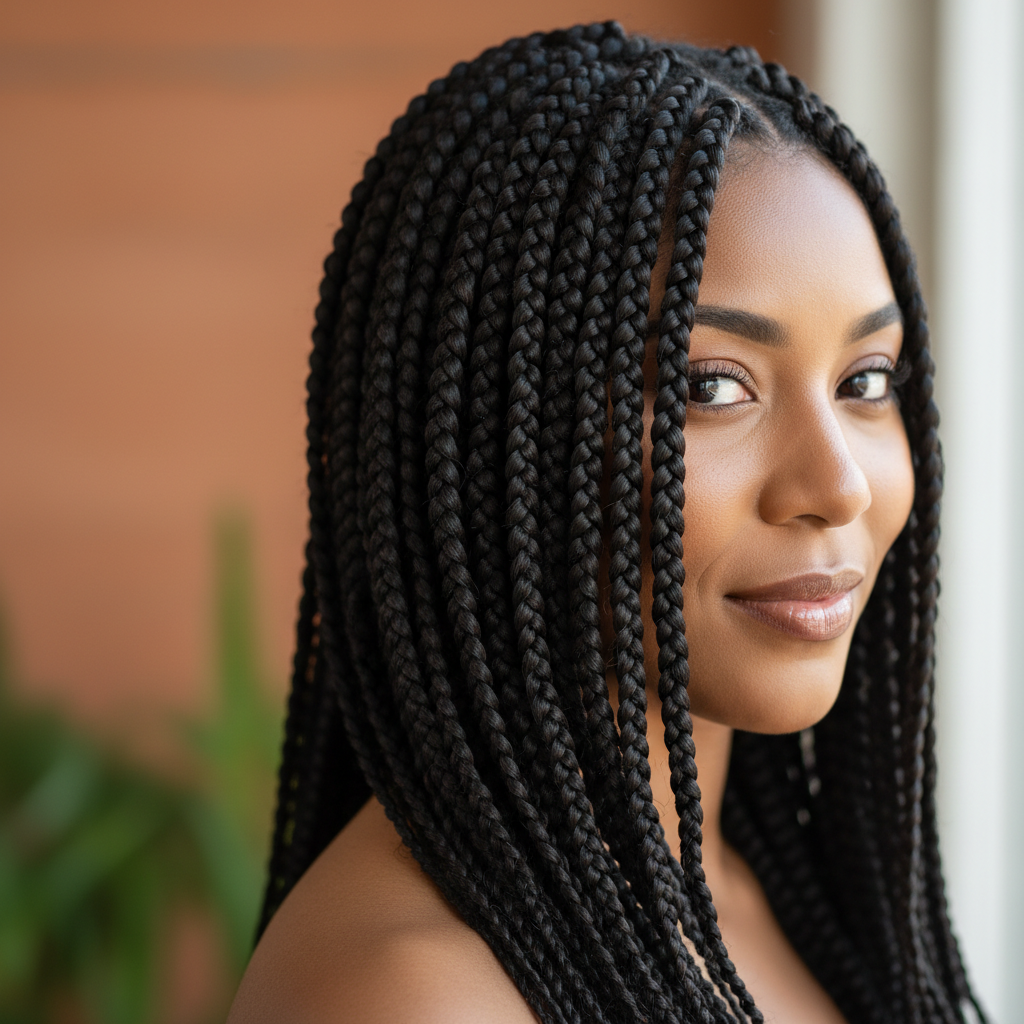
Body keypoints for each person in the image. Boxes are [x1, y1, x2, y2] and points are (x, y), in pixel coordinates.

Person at [228, 23, 985, 1024]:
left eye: (866, 380)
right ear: (491, 430)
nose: (837, 485)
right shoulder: (410, 994)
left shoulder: (777, 905)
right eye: (711, 386)